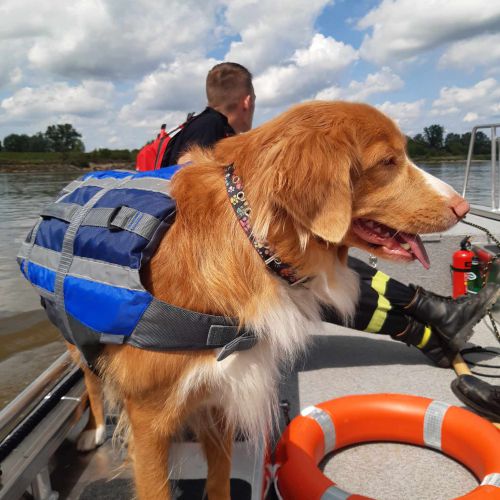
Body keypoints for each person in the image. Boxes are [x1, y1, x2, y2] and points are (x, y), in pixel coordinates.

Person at [160, 61, 500, 369]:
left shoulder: (195, 127)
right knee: (309, 268)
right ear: (247, 101)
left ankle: (429, 309)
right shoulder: (209, 132)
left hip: (243, 248)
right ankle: (422, 330)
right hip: (211, 263)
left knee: (331, 252)